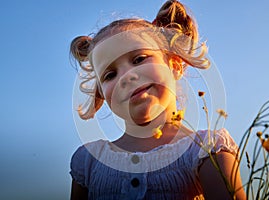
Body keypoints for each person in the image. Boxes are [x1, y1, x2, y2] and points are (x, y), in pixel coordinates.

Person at [69, 1, 246, 199]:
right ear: (102, 93)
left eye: (139, 59)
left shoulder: (205, 149)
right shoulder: (90, 161)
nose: (126, 76)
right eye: (110, 75)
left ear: (175, 64)